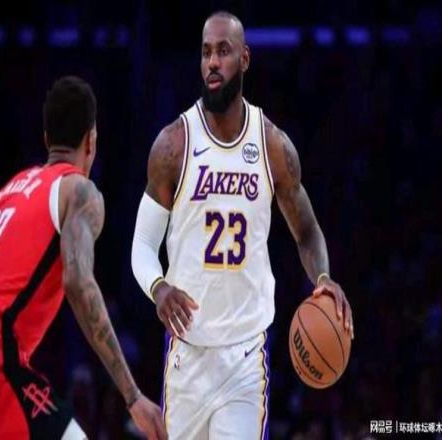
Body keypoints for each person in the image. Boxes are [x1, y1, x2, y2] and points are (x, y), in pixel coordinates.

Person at [131, 11, 354, 440]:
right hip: (187, 355)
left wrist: (323, 279)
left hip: (245, 358)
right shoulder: (173, 145)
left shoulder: (272, 145)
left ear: (245, 59)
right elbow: (142, 244)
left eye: (223, 51)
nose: (213, 62)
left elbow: (307, 231)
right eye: (206, 53)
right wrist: (158, 288)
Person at [0, 76, 167, 440]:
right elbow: (77, 280)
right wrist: (132, 395)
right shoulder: (79, 192)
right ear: (92, 140)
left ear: (46, 139)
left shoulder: (8, 192)